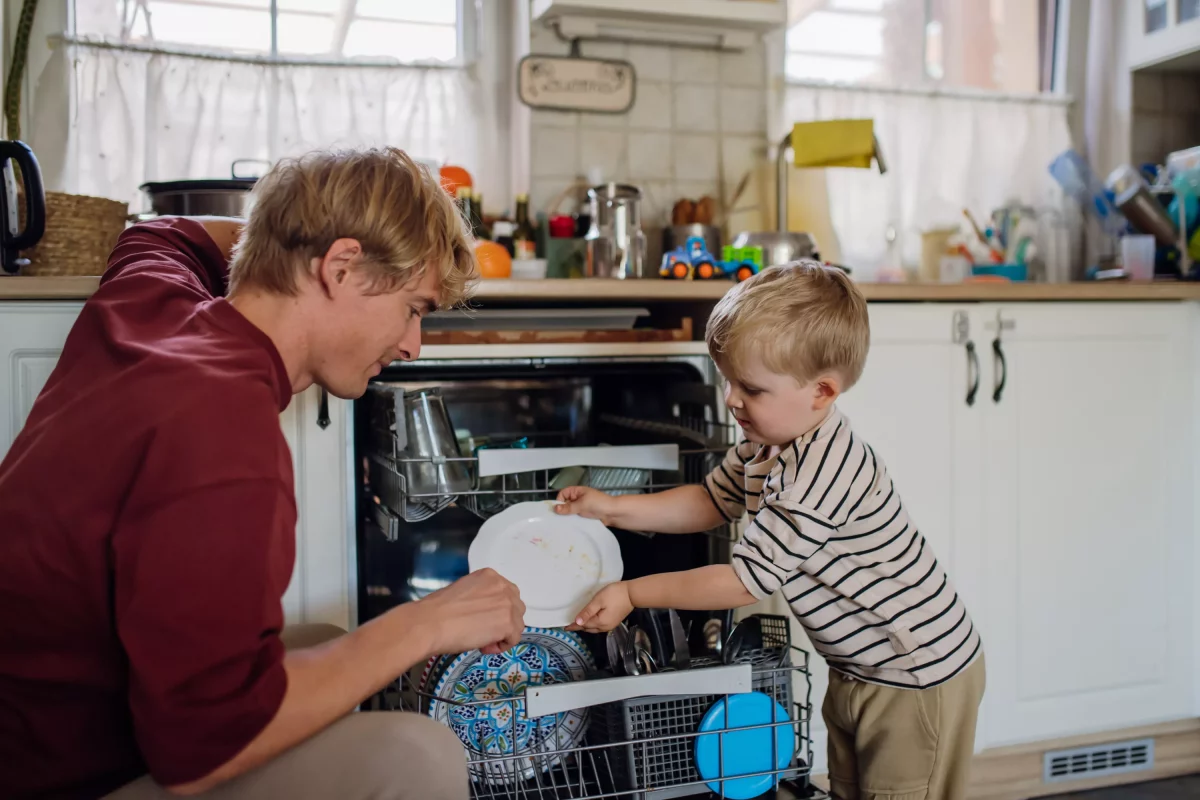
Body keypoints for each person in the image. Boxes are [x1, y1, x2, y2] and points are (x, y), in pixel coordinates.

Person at [0, 147, 525, 800]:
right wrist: (428, 623)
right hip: (54, 777)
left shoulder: (154, 303)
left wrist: (291, 223)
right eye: (413, 308)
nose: (412, 344)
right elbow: (203, 749)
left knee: (329, 645)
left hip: (44, 719)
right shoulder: (222, 427)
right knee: (414, 754)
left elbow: (160, 234)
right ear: (340, 266)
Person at [556, 262, 986, 800]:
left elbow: (745, 582)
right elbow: (711, 501)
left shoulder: (820, 472)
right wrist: (613, 510)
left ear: (822, 391)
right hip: (860, 669)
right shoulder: (769, 447)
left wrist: (632, 592)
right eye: (728, 380)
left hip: (916, 674)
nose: (732, 399)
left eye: (751, 388)